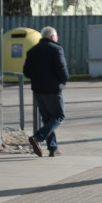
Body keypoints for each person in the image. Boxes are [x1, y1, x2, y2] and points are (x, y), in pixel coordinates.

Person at [23, 26, 70, 157]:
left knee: (48, 119)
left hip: (38, 91)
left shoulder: (32, 51)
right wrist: (64, 80)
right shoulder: (56, 49)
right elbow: (62, 69)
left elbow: (26, 72)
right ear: (53, 37)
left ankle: (53, 149)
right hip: (53, 90)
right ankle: (38, 137)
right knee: (59, 116)